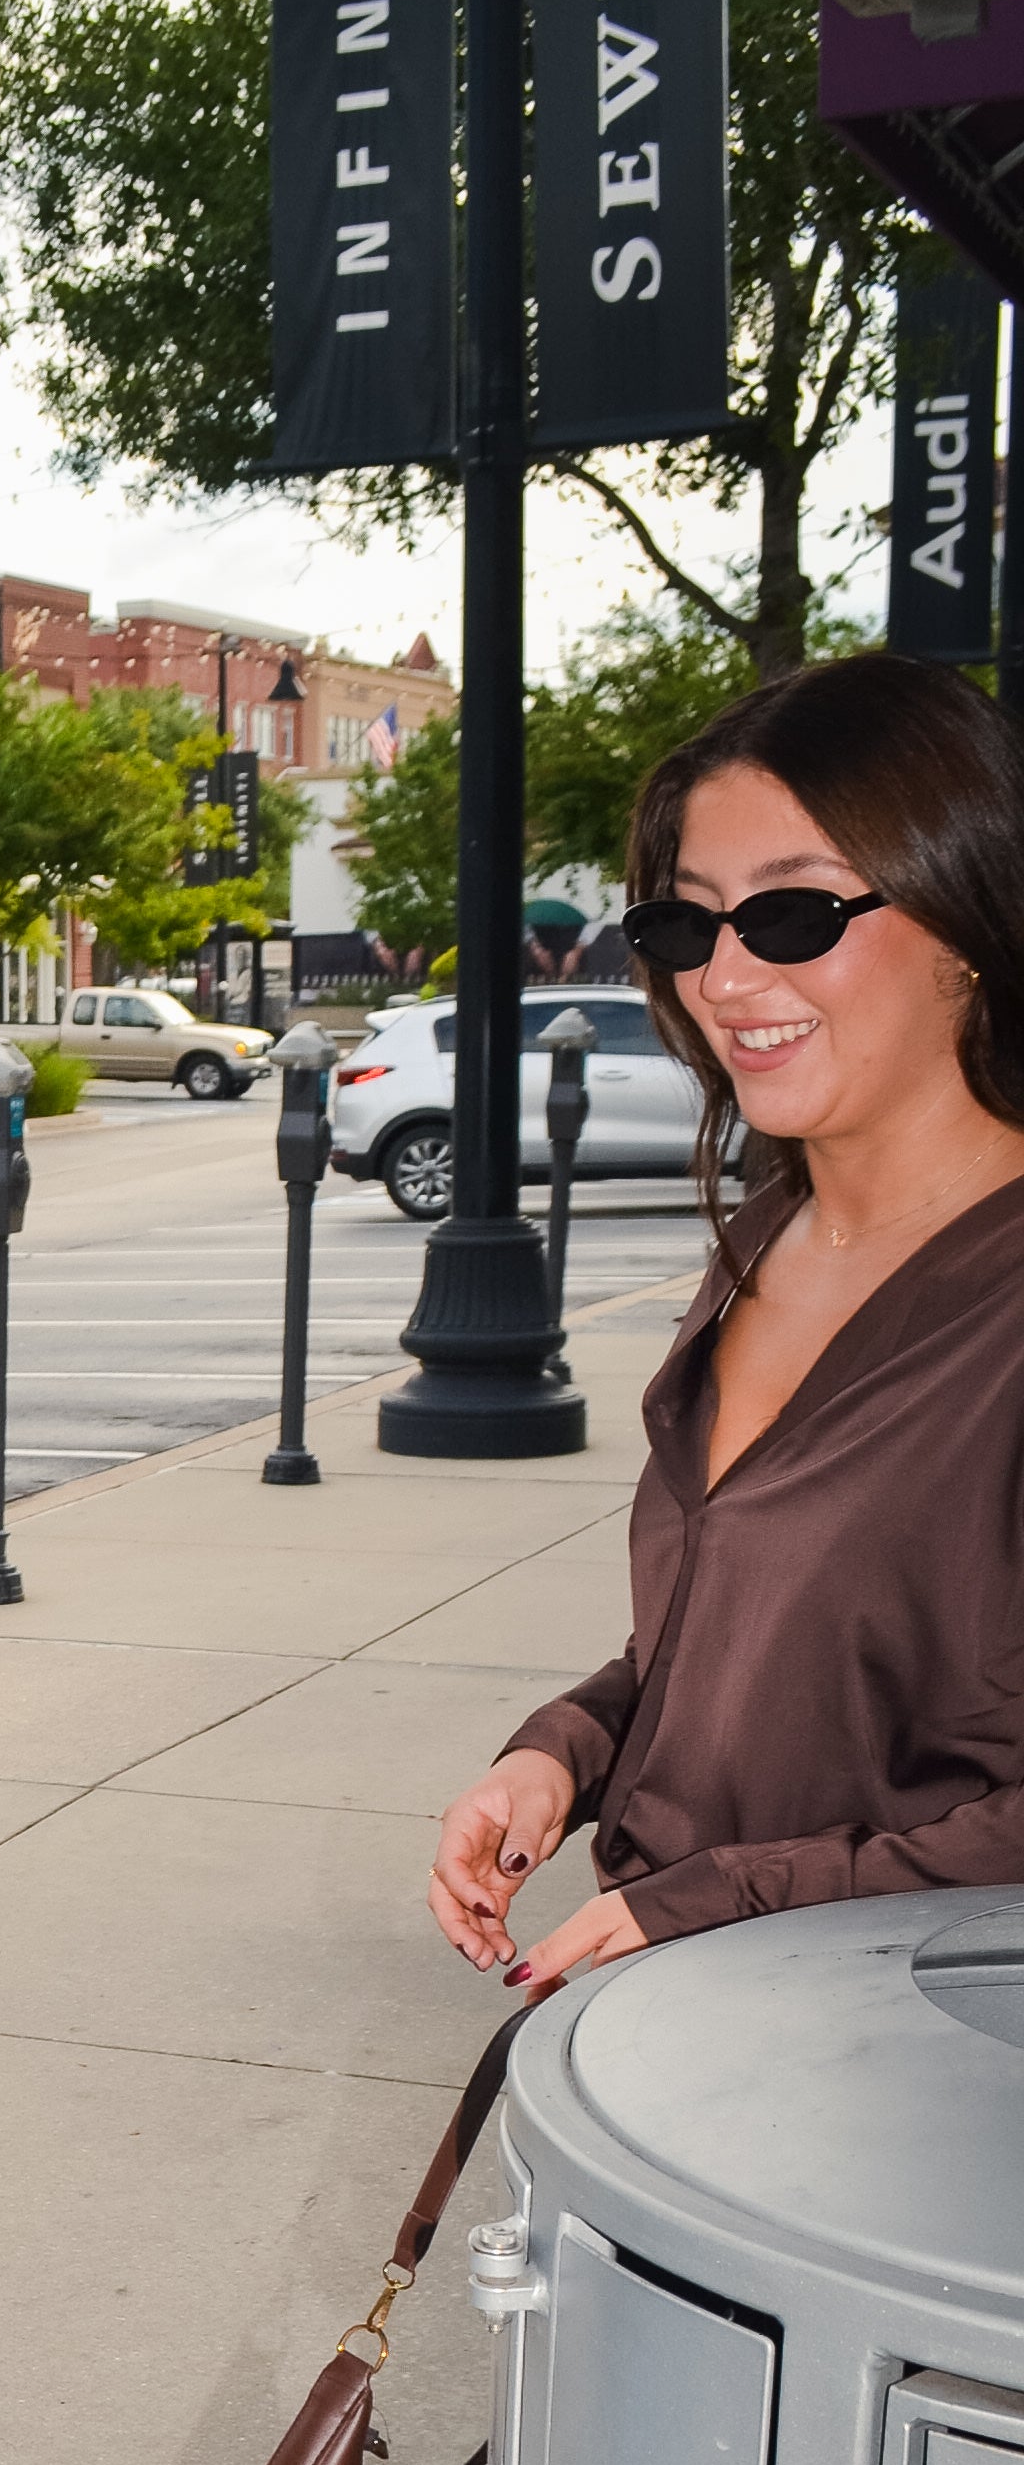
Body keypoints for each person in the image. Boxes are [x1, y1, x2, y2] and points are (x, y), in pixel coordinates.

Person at [430, 651, 1024, 1994]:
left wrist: (727, 1895)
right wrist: (563, 1751)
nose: (727, 978)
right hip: (687, 2048)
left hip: (919, 2100)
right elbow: (742, 1639)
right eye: (688, 926)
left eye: (795, 915)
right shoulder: (766, 1237)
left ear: (971, 918)